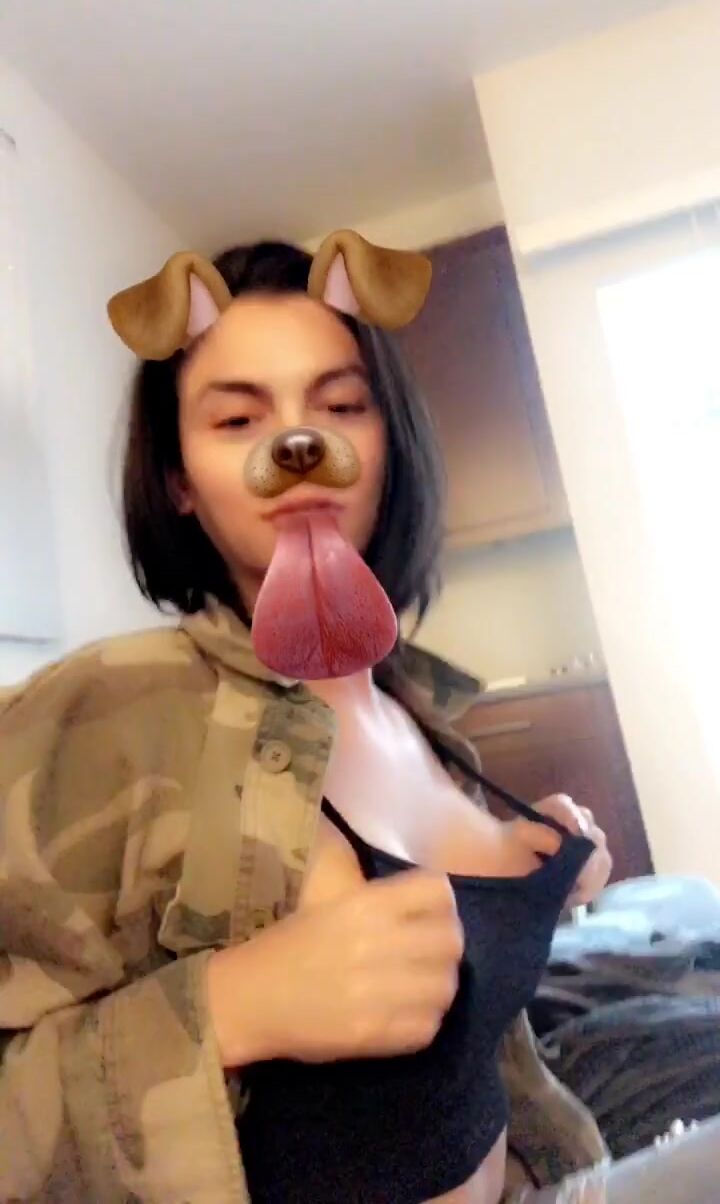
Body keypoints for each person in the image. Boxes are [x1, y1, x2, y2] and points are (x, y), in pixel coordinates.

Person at [0, 235, 716, 1204]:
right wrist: (232, 1009)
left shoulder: (424, 717)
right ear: (178, 479)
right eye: (237, 417)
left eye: (341, 406)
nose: (298, 446)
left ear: (389, 443)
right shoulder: (105, 713)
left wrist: (530, 867)